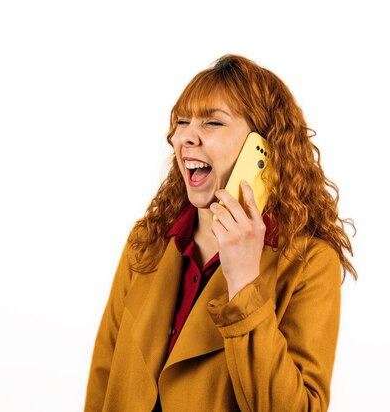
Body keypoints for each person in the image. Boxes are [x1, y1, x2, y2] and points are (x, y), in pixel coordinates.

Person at [84, 54, 357, 412]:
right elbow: (104, 379)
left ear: (263, 148)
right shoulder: (147, 242)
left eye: (212, 122)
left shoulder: (308, 263)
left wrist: (244, 283)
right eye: (182, 122)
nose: (185, 137)